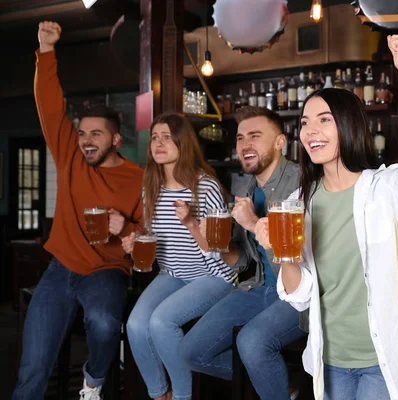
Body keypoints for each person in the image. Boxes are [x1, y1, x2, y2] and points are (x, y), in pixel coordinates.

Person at [254, 35, 398, 400]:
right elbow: (301, 295)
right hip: (328, 358)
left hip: (382, 356)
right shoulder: (297, 202)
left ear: (348, 125)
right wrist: (282, 252)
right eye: (305, 123)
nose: (310, 131)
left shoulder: (384, 190)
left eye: (324, 120)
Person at [13, 21, 144, 400]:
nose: (86, 141)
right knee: (33, 364)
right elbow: (49, 103)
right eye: (83, 133)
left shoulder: (137, 179)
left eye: (96, 135)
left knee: (104, 323)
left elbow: (145, 234)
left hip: (106, 271)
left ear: (116, 139)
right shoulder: (70, 156)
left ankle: (93, 382)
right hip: (60, 268)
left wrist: (124, 228)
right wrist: (46, 49)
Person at [179, 106, 307, 400]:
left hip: (299, 290)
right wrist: (221, 246)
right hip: (259, 288)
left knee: (252, 343)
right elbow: (244, 262)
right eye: (239, 138)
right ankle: (282, 385)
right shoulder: (246, 187)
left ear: (279, 142)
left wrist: (252, 223)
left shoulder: (302, 181)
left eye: (254, 136)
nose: (244, 145)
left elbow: (303, 258)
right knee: (191, 351)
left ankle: (275, 382)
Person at [122, 113, 237, 400]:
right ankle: (160, 394)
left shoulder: (205, 187)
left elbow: (218, 249)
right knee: (136, 324)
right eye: (154, 138)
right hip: (172, 274)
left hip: (213, 275)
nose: (158, 143)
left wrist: (191, 223)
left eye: (166, 137)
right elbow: (156, 241)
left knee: (161, 322)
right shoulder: (151, 188)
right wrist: (134, 243)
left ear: (182, 142)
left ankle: (185, 396)